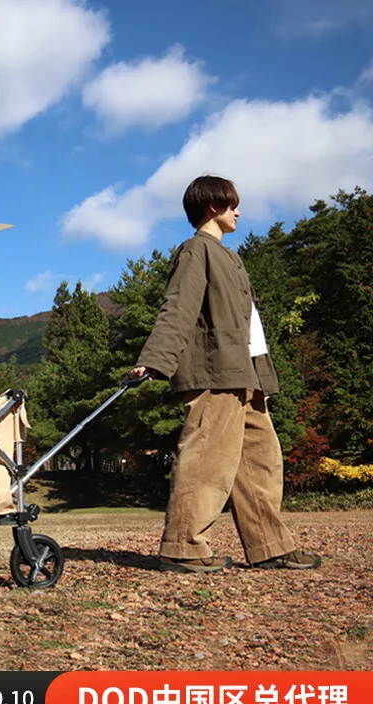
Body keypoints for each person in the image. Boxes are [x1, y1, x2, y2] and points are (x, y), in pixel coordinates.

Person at [128, 175, 321, 573]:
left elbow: (250, 326)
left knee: (261, 460)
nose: (238, 212)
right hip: (214, 372)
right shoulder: (196, 250)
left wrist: (262, 374)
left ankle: (269, 546)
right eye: (233, 205)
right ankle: (183, 547)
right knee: (206, 459)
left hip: (244, 374)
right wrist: (156, 358)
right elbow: (178, 308)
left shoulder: (230, 258)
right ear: (213, 206)